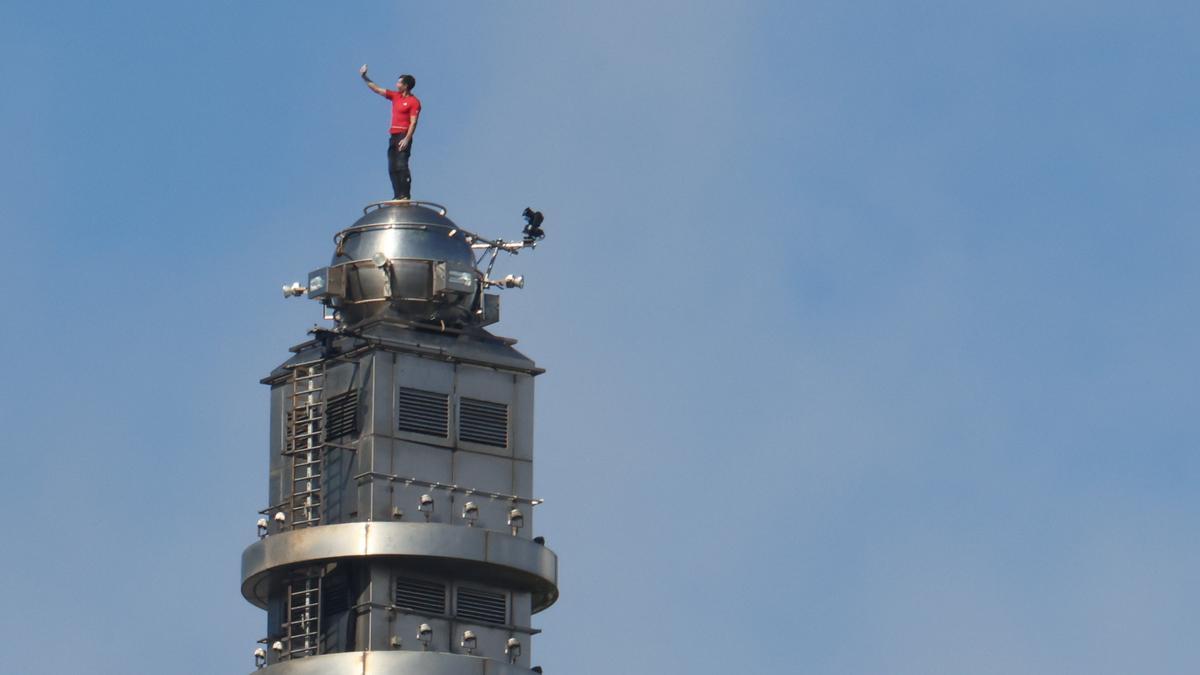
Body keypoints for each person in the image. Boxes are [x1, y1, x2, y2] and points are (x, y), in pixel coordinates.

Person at [360, 65, 421, 200]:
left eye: (399, 82)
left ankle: (405, 194)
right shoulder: (395, 96)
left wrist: (407, 138)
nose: (396, 84)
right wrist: (364, 77)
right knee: (392, 167)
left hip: (403, 135)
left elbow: (413, 122)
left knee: (401, 165)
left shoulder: (413, 102)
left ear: (405, 85)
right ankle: (397, 195)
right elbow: (376, 89)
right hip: (393, 135)